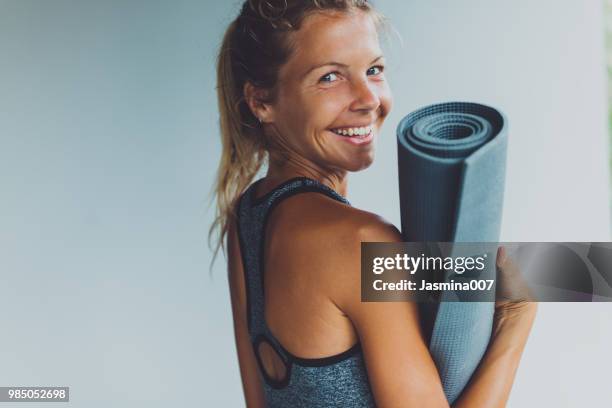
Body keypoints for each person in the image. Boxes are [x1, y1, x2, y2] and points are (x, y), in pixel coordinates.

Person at [209, 1, 537, 406]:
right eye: (329, 77)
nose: (367, 98)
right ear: (261, 101)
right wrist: (514, 326)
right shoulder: (363, 242)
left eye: (374, 70)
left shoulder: (246, 216)